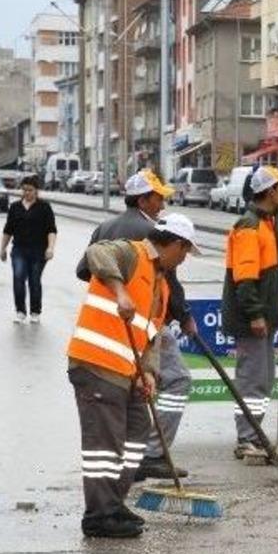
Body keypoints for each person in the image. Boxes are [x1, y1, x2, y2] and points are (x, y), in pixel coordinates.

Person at [67, 213, 201, 538]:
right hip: (96, 364)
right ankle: (99, 515)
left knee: (137, 430)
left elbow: (150, 335)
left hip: (128, 372)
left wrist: (149, 373)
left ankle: (114, 503)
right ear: (174, 244)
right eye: (185, 252)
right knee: (105, 444)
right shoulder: (131, 252)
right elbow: (95, 254)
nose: (184, 259)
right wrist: (119, 291)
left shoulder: (162, 283)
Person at [76, 169, 196, 482]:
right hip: (138, 325)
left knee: (130, 403)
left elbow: (83, 271)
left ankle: (128, 471)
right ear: (143, 198)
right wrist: (181, 315)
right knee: (177, 379)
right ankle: (153, 455)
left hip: (116, 329)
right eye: (159, 198)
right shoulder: (151, 232)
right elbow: (167, 282)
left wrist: (110, 291)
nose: (162, 204)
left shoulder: (106, 225)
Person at [222, 166, 278, 458]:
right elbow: (245, 278)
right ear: (268, 192)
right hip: (252, 319)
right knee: (252, 379)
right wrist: (255, 315)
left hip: (263, 315)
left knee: (263, 379)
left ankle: (255, 434)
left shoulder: (267, 223)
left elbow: (261, 268)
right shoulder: (250, 226)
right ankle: (247, 438)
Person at [0, 175, 57, 324]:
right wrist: (3, 248)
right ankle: (20, 311)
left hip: (39, 251)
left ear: (36, 191)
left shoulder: (44, 207)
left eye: (30, 190)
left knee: (34, 280)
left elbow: (51, 230)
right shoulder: (15, 207)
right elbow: (8, 230)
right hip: (19, 249)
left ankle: (35, 311)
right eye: (24, 190)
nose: (27, 193)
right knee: (18, 277)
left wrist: (50, 248)